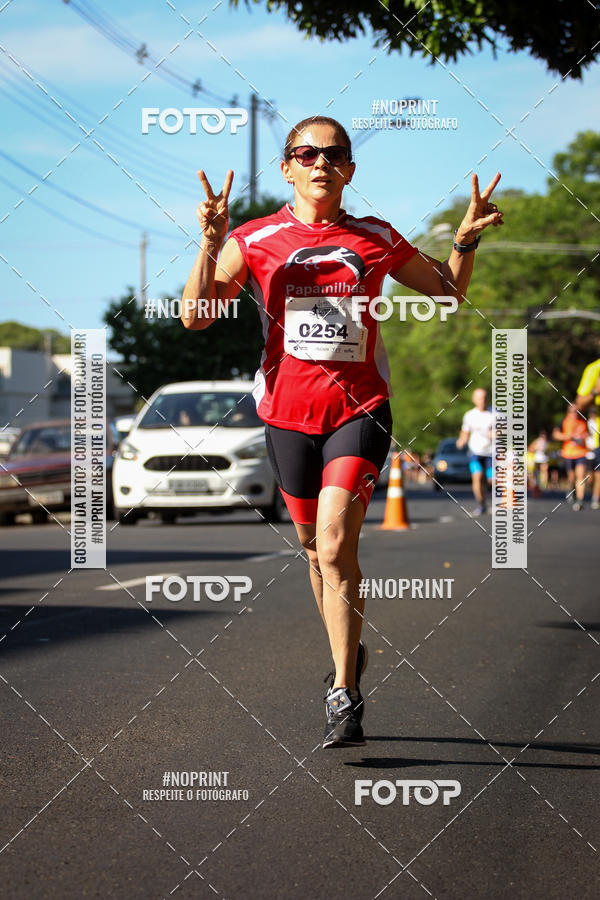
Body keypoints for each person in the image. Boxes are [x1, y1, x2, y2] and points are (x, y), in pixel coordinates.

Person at [181, 115, 504, 747]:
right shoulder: (253, 237)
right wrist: (209, 240)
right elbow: (196, 315)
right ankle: (345, 650)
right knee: (310, 547)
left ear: (350, 169)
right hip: (285, 415)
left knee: (333, 545)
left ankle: (343, 693)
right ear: (287, 167)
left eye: (334, 154)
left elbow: (444, 295)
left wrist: (463, 244)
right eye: (306, 153)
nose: (320, 163)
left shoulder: (375, 237)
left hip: (360, 409)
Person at [456, 388, 494, 515]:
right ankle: (481, 504)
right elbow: (465, 432)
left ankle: (487, 489)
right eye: (479, 398)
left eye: (484, 397)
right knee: (477, 477)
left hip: (491, 453)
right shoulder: (469, 415)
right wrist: (461, 440)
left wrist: (495, 434)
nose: (482, 400)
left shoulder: (495, 414)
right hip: (475, 452)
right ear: (474, 399)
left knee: (491, 480)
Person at [552, 403, 588, 510]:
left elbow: (589, 435)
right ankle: (572, 490)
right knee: (572, 477)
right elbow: (555, 434)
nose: (574, 414)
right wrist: (568, 437)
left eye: (577, 411)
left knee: (580, 476)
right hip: (568, 453)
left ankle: (580, 500)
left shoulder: (584, 421)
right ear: (568, 411)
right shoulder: (564, 421)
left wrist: (584, 438)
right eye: (572, 411)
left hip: (581, 453)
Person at [575, 358, 600, 510]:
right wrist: (596, 391)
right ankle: (595, 497)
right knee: (595, 474)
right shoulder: (594, 369)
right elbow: (579, 403)